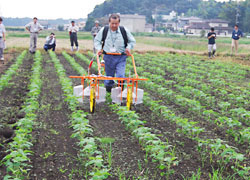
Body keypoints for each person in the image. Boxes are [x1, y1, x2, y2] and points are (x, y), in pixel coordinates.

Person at [94, 14, 136, 93]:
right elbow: (97, 40)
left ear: (119, 23)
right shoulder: (104, 30)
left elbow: (132, 41)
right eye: (112, 23)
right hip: (108, 57)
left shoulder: (124, 30)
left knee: (120, 76)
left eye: (116, 23)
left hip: (121, 57)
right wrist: (99, 49)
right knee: (109, 78)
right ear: (109, 22)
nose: (114, 25)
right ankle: (109, 92)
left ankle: (119, 95)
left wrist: (128, 48)